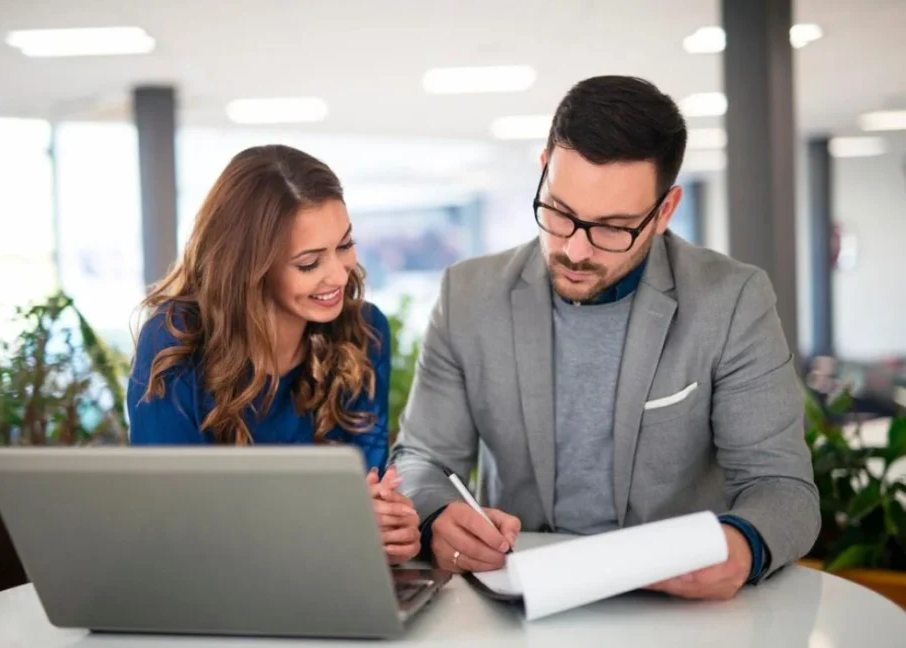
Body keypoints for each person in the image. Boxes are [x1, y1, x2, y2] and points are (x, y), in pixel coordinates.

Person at [391, 76, 820, 600]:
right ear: (544, 166)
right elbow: (420, 460)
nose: (574, 249)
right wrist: (437, 515)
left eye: (612, 228)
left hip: (675, 609)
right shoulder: (468, 295)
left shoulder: (732, 301)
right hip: (517, 600)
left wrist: (742, 544)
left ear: (664, 211)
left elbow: (783, 488)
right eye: (560, 213)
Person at [128, 144, 420, 563]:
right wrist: (334, 523)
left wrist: (389, 528)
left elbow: (363, 493)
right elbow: (173, 522)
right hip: (214, 594)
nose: (338, 275)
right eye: (308, 263)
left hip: (330, 580)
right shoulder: (174, 344)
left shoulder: (365, 332)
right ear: (249, 267)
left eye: (345, 245)